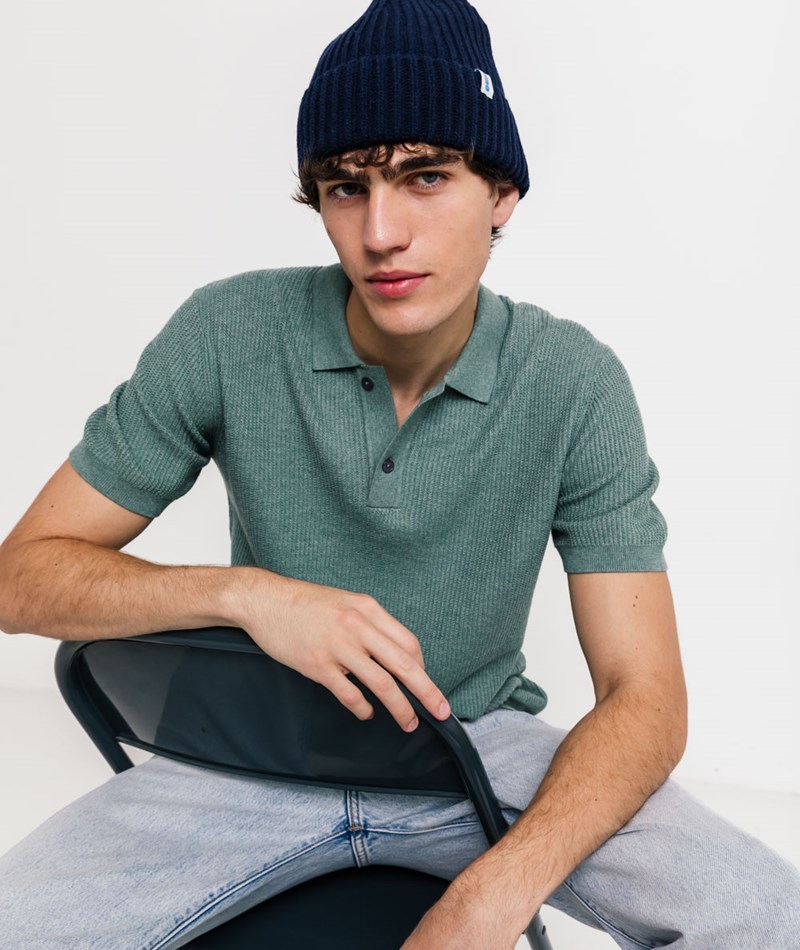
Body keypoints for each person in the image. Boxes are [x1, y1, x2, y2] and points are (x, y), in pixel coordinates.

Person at [0, 0, 797, 947]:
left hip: (478, 752)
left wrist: (492, 895)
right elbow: (21, 579)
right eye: (346, 187)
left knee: (767, 915)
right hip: (247, 758)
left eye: (426, 177)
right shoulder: (226, 332)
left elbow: (647, 698)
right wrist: (250, 596)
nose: (381, 232)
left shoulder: (574, 381)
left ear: (501, 193)